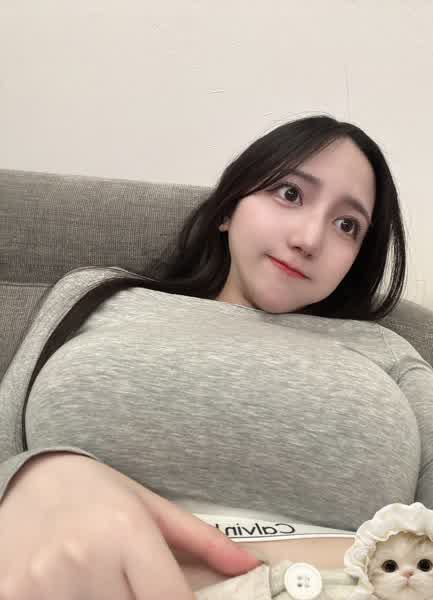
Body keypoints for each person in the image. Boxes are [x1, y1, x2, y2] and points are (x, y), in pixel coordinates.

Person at [0, 114, 432, 600]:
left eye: (346, 225)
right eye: (290, 193)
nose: (309, 240)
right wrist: (39, 477)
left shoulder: (389, 352)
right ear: (227, 209)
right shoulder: (94, 296)